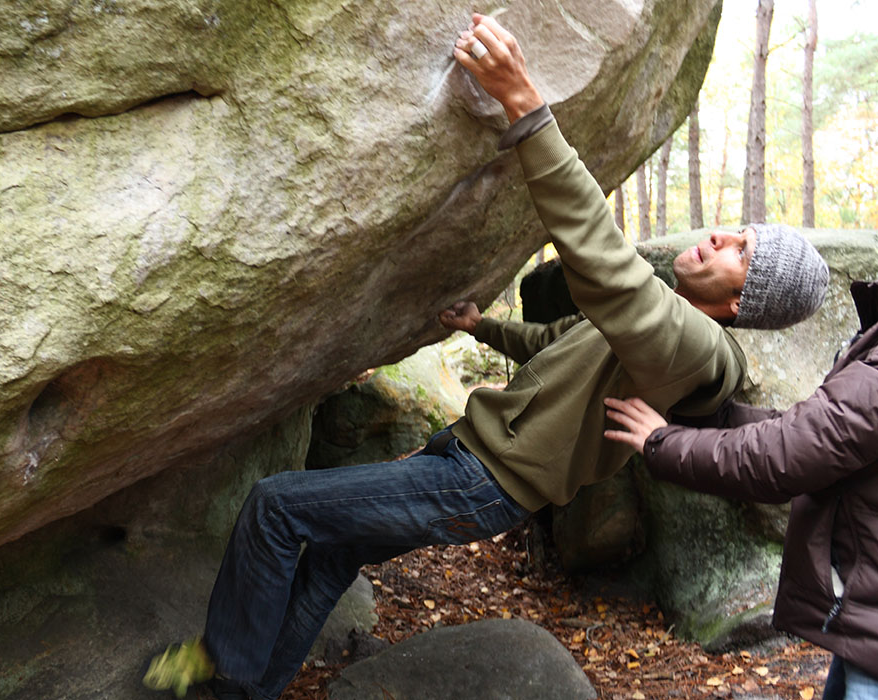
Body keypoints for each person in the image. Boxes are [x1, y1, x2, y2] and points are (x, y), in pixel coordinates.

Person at [142, 14, 830, 700]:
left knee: (273, 507)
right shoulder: (661, 325)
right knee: (329, 554)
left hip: (480, 482)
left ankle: (220, 674)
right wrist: (482, 329)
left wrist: (527, 107)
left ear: (743, 301)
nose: (719, 237)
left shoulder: (694, 348)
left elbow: (599, 256)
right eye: (735, 231)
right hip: (468, 461)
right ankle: (252, 689)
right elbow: (559, 342)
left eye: (740, 251)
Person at [604, 280, 878, 700]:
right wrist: (708, 418)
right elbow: (811, 433)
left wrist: (663, 442)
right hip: (864, 621)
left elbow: (786, 454)